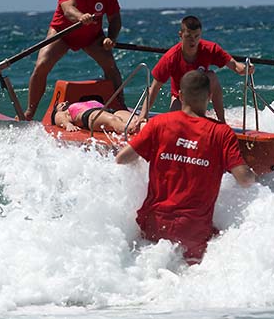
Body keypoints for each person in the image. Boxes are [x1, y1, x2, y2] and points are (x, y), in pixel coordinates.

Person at [116, 70, 255, 264]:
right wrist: (253, 175)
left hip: (154, 225)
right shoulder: (221, 133)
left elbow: (122, 158)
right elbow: (244, 180)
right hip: (193, 233)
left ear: (180, 96)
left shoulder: (158, 124)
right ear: (209, 96)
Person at [24, 0, 125, 121]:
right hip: (63, 33)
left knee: (111, 67)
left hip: (92, 36)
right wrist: (80, 16)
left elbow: (115, 18)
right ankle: (29, 113)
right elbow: (68, 9)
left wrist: (111, 38)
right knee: (41, 64)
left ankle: (120, 106)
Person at [138, 16, 254, 125]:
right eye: (188, 36)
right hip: (180, 97)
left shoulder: (210, 49)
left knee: (211, 76)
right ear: (181, 35)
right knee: (173, 125)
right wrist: (142, 116)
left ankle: (221, 122)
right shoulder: (171, 58)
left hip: (202, 96)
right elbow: (154, 88)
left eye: (196, 36)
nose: (192, 41)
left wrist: (245, 69)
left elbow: (235, 65)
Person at [51, 100, 140, 134]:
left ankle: (148, 130)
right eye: (60, 104)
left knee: (136, 119)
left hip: (110, 111)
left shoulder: (78, 103)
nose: (65, 102)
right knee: (114, 120)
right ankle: (131, 128)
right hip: (91, 115)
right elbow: (58, 117)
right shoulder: (63, 113)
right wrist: (67, 125)